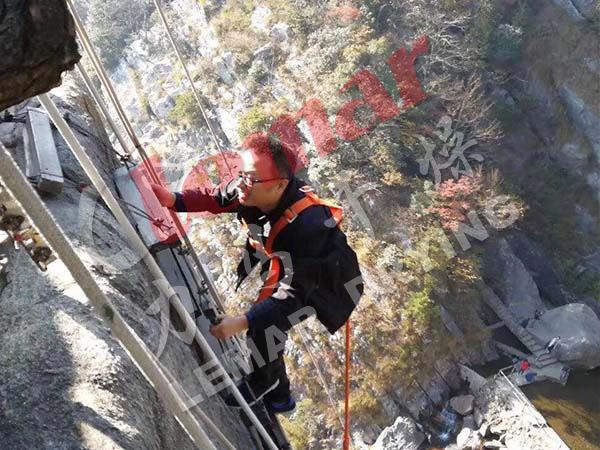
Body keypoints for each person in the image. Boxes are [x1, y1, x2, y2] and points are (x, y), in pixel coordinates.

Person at [151, 134, 363, 415]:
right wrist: (174, 200)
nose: (242, 183)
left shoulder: (310, 226)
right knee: (263, 318)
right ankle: (281, 397)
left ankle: (266, 383)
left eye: (250, 178)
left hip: (325, 278)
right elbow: (217, 197)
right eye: (242, 174)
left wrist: (243, 322)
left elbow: (295, 294)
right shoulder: (250, 188)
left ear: (280, 185)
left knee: (265, 324)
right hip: (285, 259)